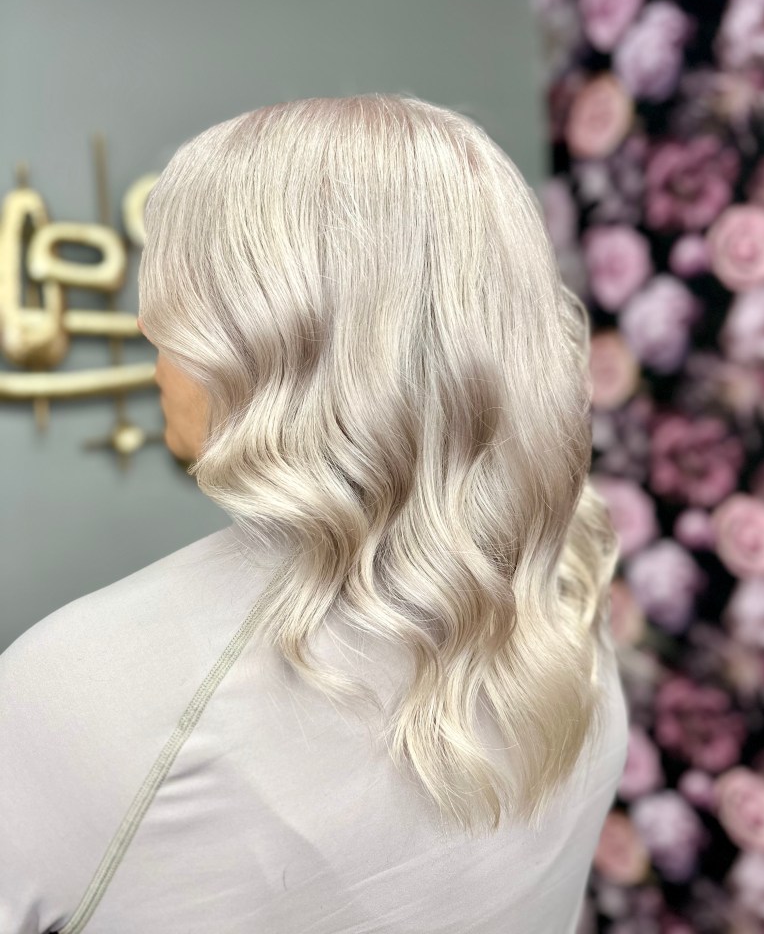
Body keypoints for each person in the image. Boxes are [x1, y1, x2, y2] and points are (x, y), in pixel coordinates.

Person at [0, 94, 630, 934]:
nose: (147, 323)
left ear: (287, 336)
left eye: (188, 295)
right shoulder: (570, 593)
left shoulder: (82, 694)